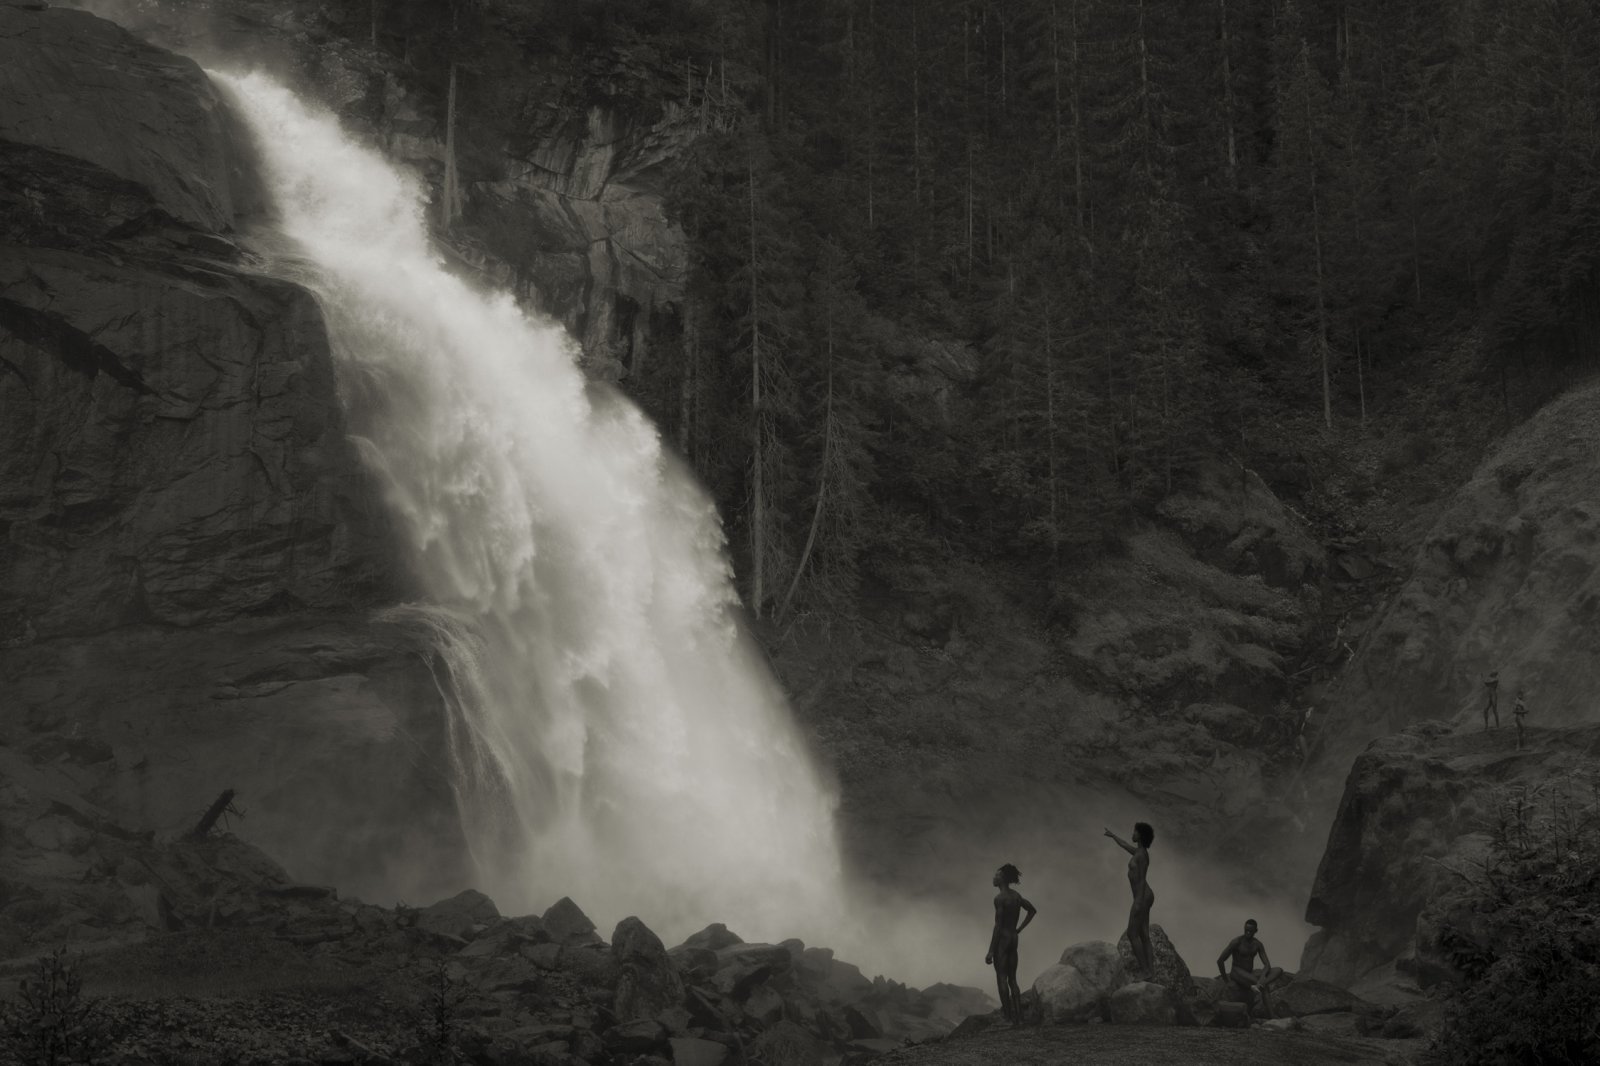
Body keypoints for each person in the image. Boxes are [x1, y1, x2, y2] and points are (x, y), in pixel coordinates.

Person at [985, 864, 1036, 1024]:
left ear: (1003, 879)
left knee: (1001, 978)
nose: (994, 877)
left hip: (1003, 940)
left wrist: (991, 951)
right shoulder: (1016, 896)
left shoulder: (1000, 899)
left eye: (997, 875)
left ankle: (1008, 1019)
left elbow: (998, 926)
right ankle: (1019, 1018)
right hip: (1014, 938)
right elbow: (1032, 910)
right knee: (1013, 979)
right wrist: (1019, 928)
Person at [1104, 822, 1155, 977]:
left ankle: (1145, 971)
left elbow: (1139, 881)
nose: (1132, 833)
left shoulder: (1140, 856)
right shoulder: (1141, 852)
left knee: (1132, 934)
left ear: (1140, 835)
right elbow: (1125, 845)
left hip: (1142, 896)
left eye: (1135, 831)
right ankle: (1151, 971)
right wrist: (1113, 836)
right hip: (1146, 895)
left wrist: (1138, 903)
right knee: (1144, 934)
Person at [1217, 919, 1281, 1019]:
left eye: (1250, 931)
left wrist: (1263, 978)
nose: (1248, 933)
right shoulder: (1237, 942)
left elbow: (1267, 965)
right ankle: (1272, 1017)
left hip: (1249, 974)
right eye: (1246, 930)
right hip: (1237, 972)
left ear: (1256, 931)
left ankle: (1259, 985)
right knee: (1263, 987)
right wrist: (1226, 980)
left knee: (1278, 970)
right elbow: (1220, 960)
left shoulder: (1257, 944)